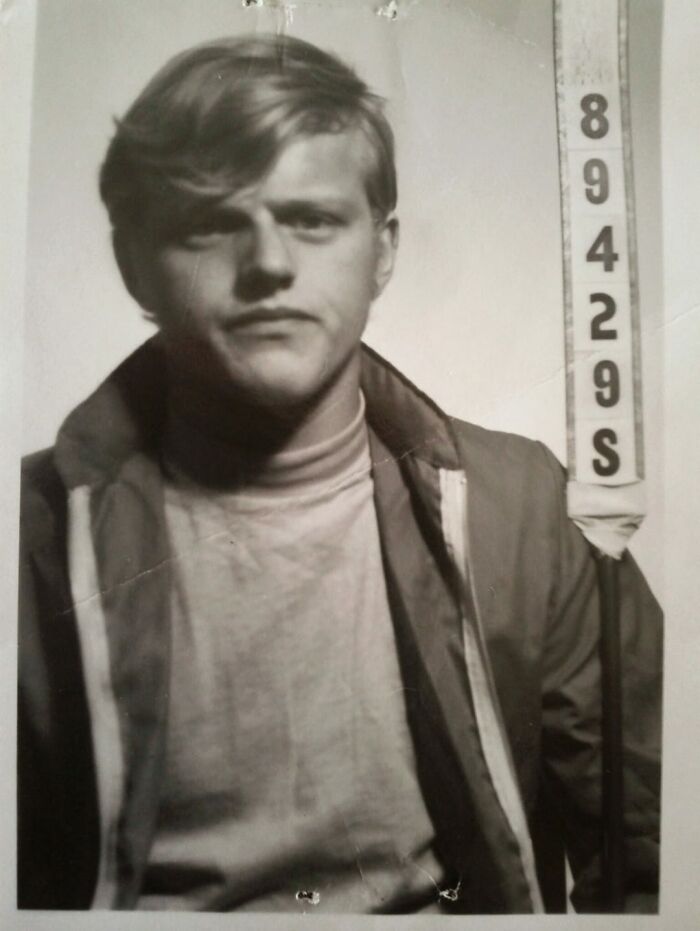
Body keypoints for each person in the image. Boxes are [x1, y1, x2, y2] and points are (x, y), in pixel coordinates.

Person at [17, 33, 662, 914]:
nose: (269, 264)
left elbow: (656, 842)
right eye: (210, 223)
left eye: (312, 220)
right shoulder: (29, 538)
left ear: (382, 251)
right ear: (134, 264)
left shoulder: (525, 508)